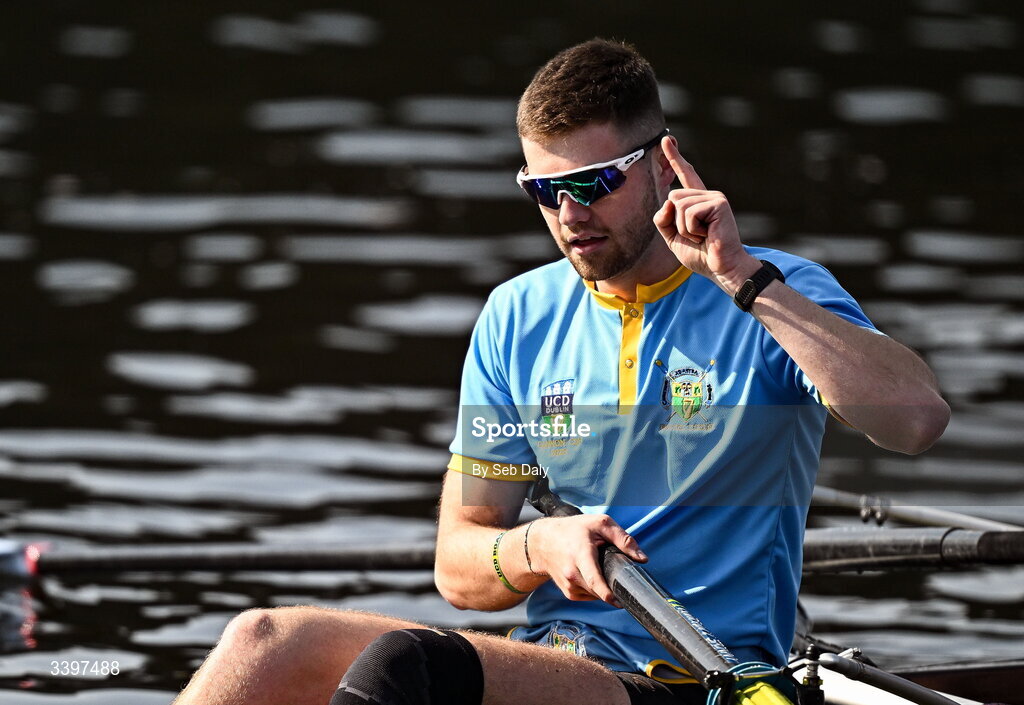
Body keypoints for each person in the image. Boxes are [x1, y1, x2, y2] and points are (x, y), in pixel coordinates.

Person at [173, 38, 949, 705]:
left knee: (407, 666)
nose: (569, 214)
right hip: (556, 667)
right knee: (261, 641)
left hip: (699, 678)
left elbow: (916, 418)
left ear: (661, 165)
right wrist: (540, 546)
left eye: (593, 183)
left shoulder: (773, 291)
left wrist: (743, 278)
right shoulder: (516, 317)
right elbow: (461, 560)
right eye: (544, 191)